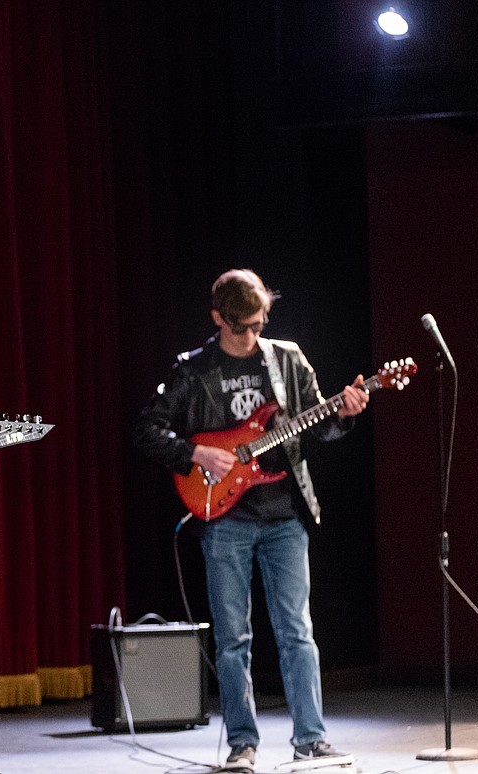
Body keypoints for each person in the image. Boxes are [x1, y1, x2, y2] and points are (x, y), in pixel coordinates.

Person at [132, 269, 368, 772]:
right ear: (218, 318)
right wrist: (195, 451)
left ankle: (311, 739)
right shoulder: (192, 370)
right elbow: (146, 430)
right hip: (224, 517)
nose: (253, 335)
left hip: (285, 515)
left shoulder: (288, 358)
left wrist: (345, 414)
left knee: (297, 631)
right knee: (234, 638)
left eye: (261, 324)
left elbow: (318, 430)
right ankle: (242, 745)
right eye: (243, 327)